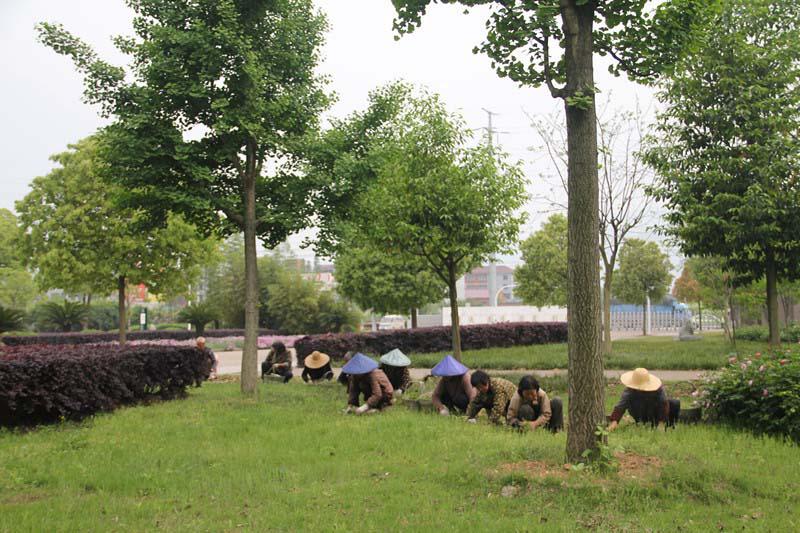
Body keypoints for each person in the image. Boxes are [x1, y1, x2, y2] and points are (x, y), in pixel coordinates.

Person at [608, 368, 680, 431]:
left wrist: (661, 424)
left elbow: (664, 404)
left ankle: (670, 426)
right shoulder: (629, 391)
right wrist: (614, 422)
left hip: (655, 412)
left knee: (674, 403)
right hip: (639, 412)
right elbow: (620, 407)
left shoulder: (657, 389)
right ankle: (642, 423)